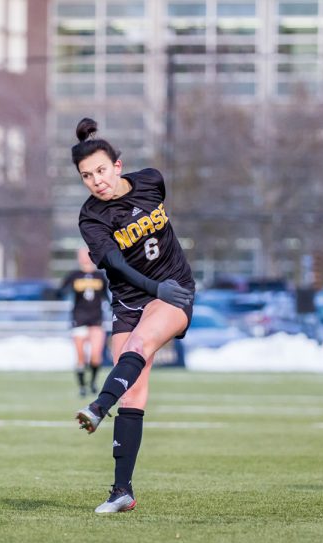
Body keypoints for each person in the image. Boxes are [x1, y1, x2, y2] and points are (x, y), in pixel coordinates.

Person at [71, 118, 195, 514]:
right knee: (134, 390)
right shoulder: (91, 219)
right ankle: (121, 491)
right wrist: (151, 289)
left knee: (140, 345)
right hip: (129, 300)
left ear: (118, 166)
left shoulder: (152, 181)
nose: (96, 181)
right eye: (87, 176)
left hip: (174, 290)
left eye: (101, 171)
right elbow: (115, 267)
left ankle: (96, 407)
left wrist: (164, 289)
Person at [59, 247, 108, 397]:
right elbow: (61, 290)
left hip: (96, 318)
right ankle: (82, 386)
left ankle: (92, 382)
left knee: (95, 355)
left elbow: (107, 296)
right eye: (81, 255)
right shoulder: (74, 275)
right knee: (81, 356)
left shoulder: (100, 276)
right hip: (79, 318)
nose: (84, 257)